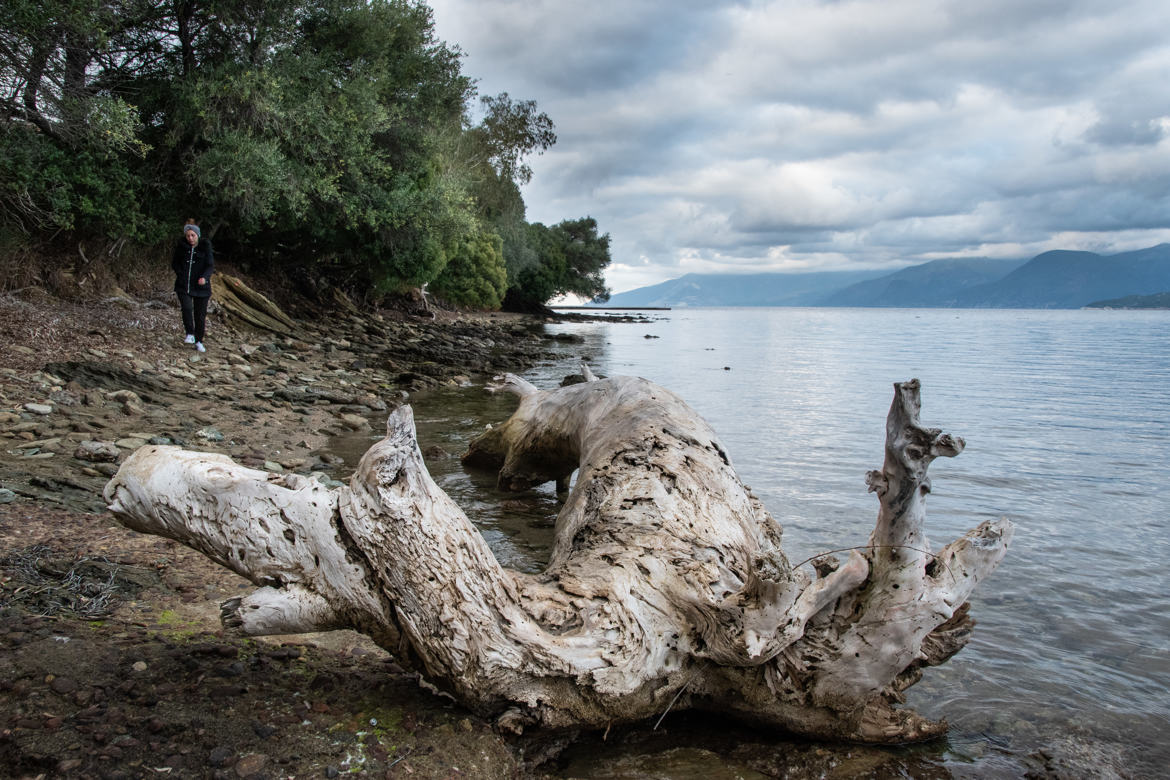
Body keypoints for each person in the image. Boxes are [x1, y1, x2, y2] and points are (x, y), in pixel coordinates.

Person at [171, 219, 214, 352]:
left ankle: (199, 340)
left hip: (201, 288)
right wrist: (180, 273)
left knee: (200, 315)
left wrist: (204, 278)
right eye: (188, 235)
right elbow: (175, 263)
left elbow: (210, 265)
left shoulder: (205, 246)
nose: (190, 238)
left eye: (192, 235)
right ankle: (189, 333)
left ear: (197, 235)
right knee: (187, 308)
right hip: (183, 285)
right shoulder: (181, 247)